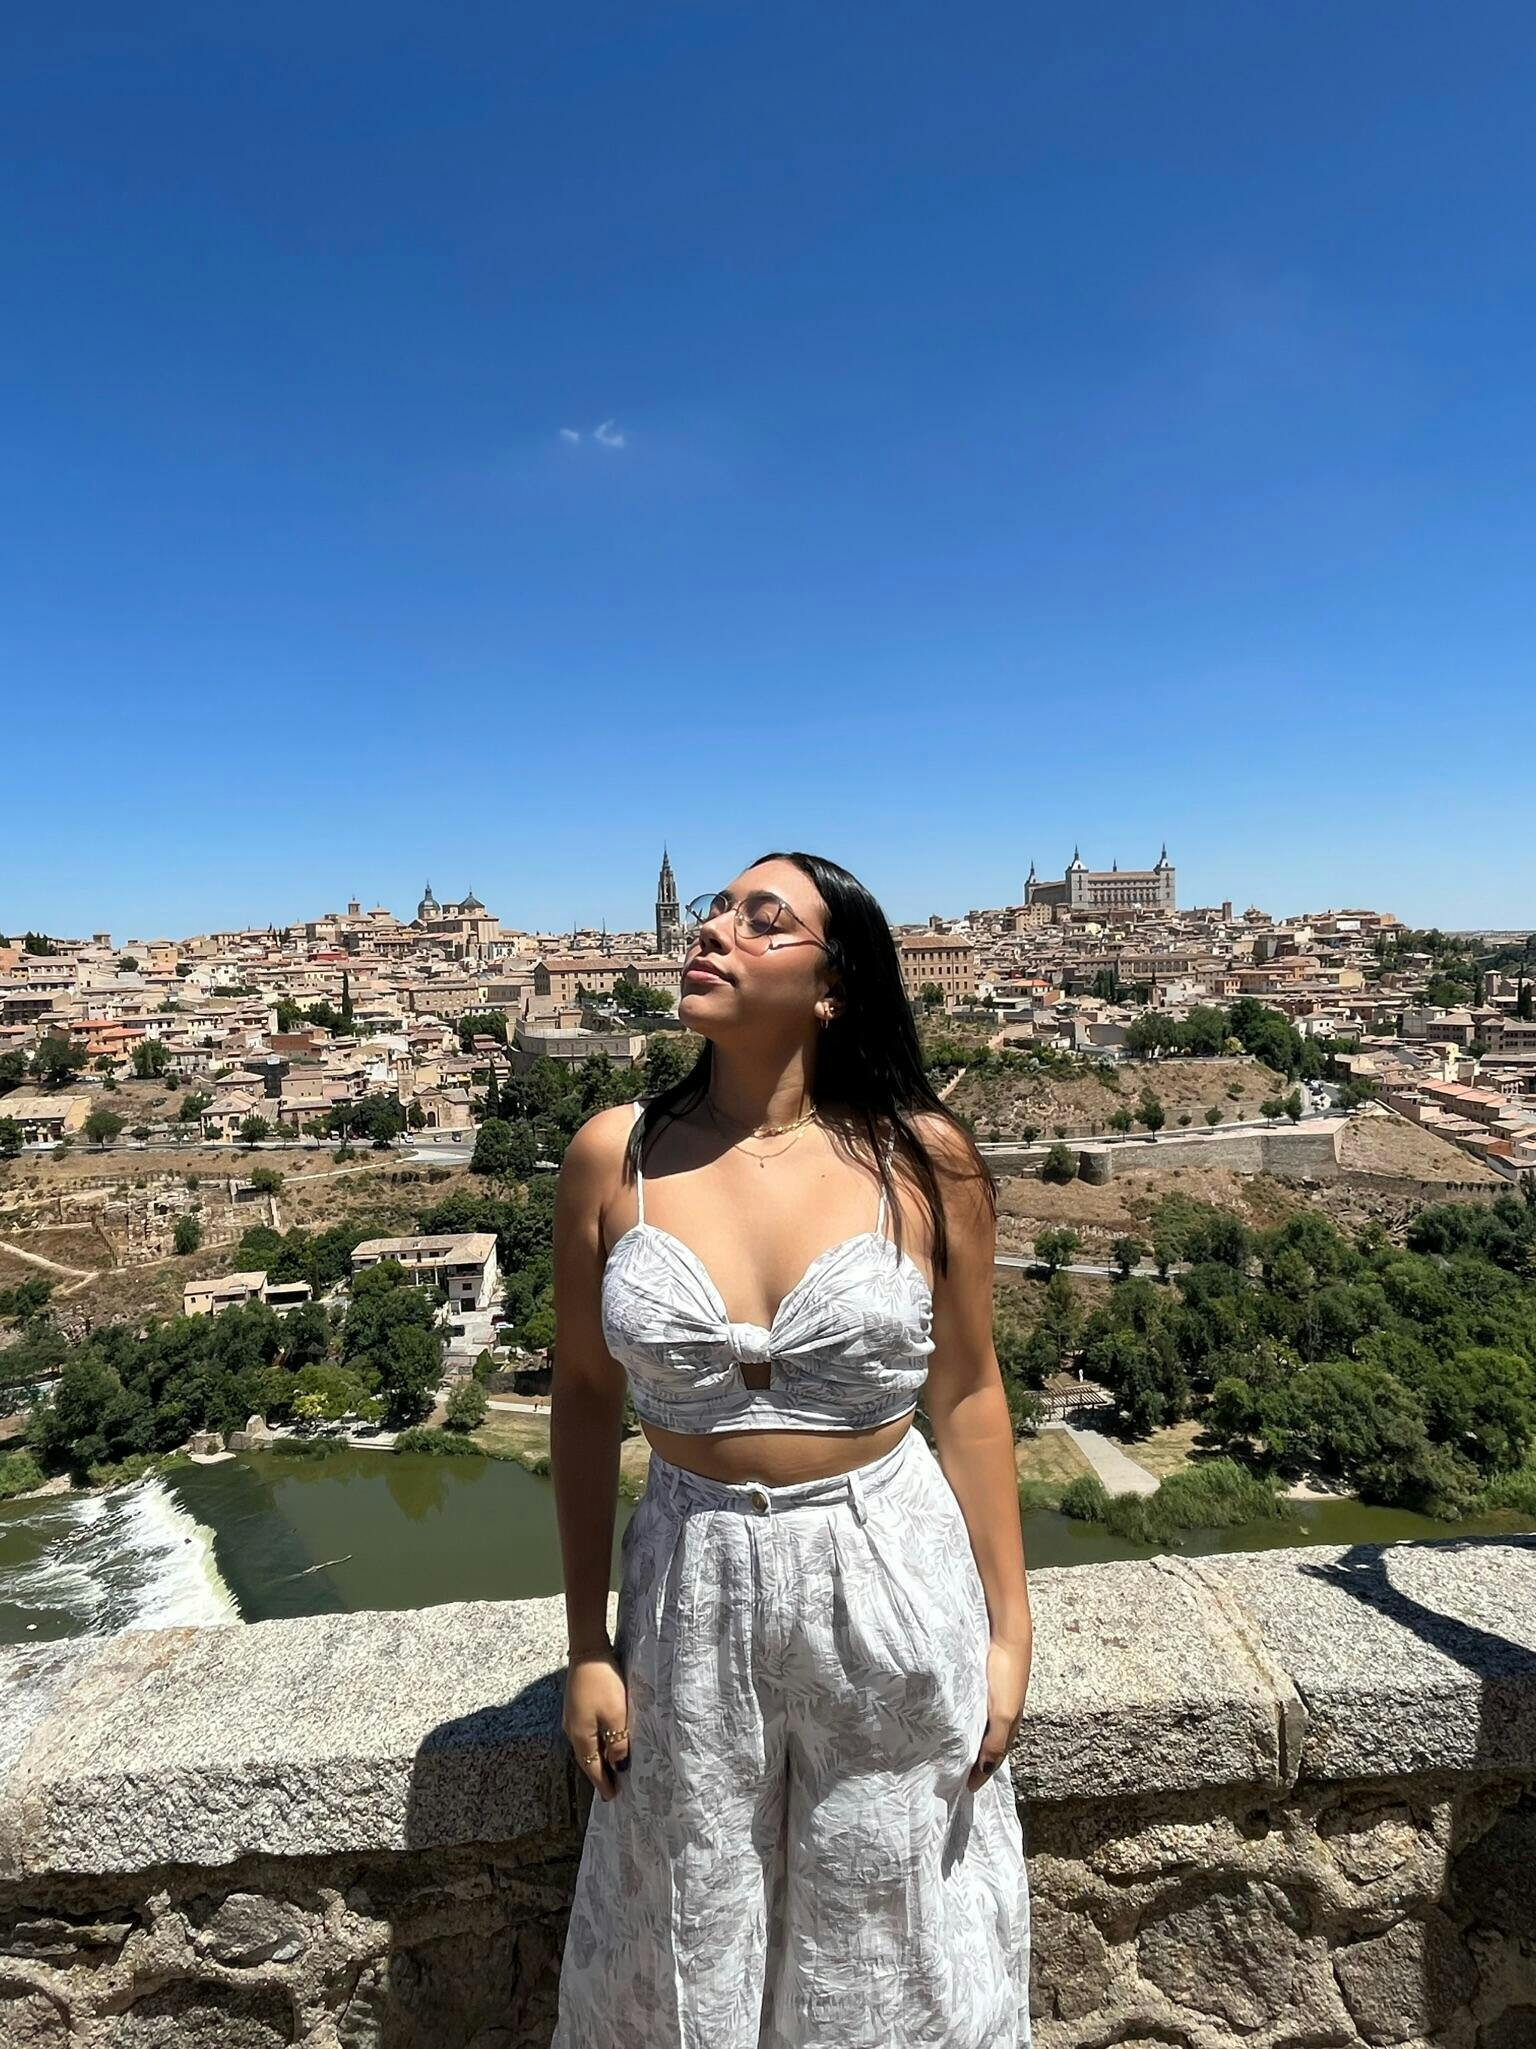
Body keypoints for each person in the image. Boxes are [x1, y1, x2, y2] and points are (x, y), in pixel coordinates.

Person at [549, 850, 1033, 2048]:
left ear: (832, 988)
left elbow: (971, 1394)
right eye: (717, 910)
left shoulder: (926, 1159)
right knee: (683, 1928)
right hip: (689, 1578)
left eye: (763, 920)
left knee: (891, 1929)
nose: (715, 929)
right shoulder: (614, 1155)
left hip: (889, 1573)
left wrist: (1010, 1631)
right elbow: (585, 1399)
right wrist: (586, 1644)